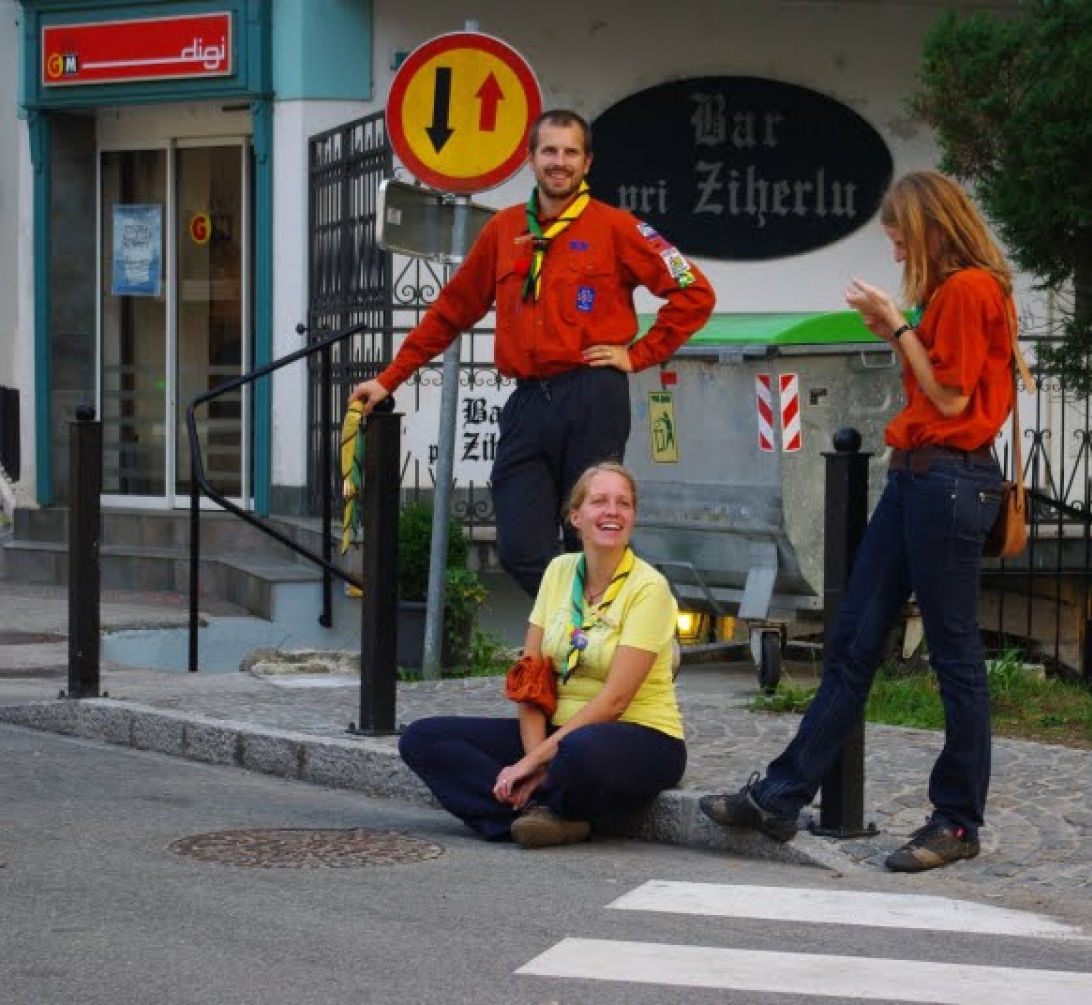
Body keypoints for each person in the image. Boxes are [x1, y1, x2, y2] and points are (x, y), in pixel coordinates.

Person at [699, 170, 1017, 873]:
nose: (896, 251)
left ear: (934, 225)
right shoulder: (957, 290)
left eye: (901, 236)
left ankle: (958, 821)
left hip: (947, 481)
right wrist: (899, 326)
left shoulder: (967, 290)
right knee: (853, 639)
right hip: (920, 480)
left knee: (953, 655)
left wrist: (897, 325)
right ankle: (782, 794)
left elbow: (951, 394)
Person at [350, 109, 716, 597]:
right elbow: (450, 311)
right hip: (527, 401)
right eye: (549, 151)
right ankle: (587, 625)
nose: (559, 162)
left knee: (589, 533)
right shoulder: (503, 231)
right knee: (520, 547)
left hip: (592, 395)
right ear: (531, 159)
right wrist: (389, 379)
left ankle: (610, 640)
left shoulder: (617, 227)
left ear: (587, 162)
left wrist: (639, 355)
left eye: (570, 152)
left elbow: (694, 292)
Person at [398, 462, 685, 849]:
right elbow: (532, 679)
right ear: (575, 516)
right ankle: (539, 812)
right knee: (422, 738)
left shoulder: (649, 588)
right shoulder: (559, 572)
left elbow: (615, 701)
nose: (612, 512)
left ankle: (543, 805)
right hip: (557, 737)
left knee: (579, 752)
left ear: (633, 516)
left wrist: (534, 764)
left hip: (641, 737)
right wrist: (537, 757)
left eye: (624, 504)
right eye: (599, 501)